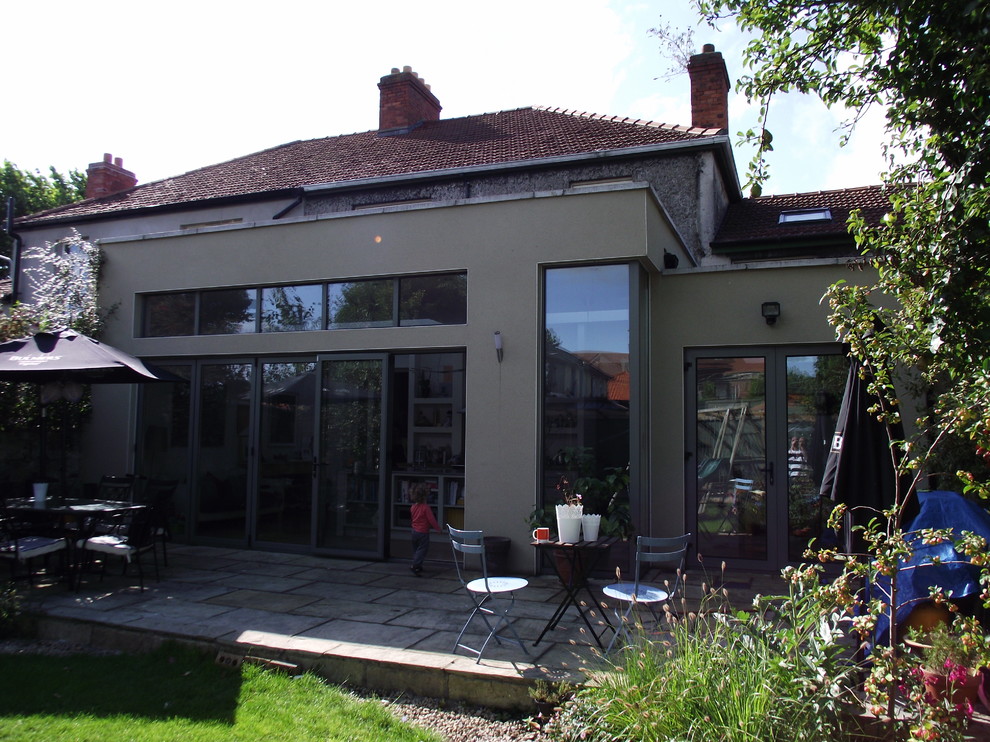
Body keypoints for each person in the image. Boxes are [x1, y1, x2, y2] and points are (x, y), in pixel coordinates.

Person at [410, 483, 441, 576]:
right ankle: (415, 565)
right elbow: (431, 519)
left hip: (414, 531)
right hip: (423, 532)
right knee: (422, 549)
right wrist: (438, 529)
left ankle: (418, 564)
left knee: (416, 549)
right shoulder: (426, 508)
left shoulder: (413, 507)